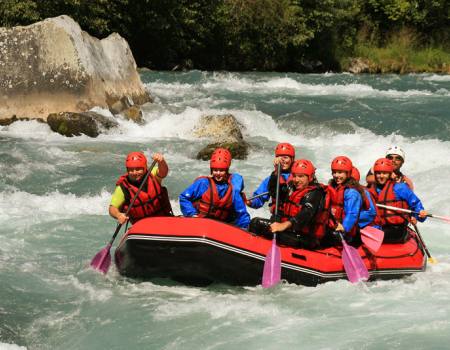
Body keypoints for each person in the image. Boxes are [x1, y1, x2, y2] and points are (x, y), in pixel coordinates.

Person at [179, 148, 250, 229]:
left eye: (222, 170)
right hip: (200, 222)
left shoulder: (232, 188)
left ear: (227, 171)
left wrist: (244, 228)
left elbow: (241, 212)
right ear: (211, 170)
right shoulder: (203, 183)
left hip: (221, 226)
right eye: (215, 170)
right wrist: (192, 214)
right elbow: (184, 198)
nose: (218, 173)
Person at [268, 159, 327, 249]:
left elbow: (306, 213)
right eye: (294, 176)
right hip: (290, 231)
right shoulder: (292, 187)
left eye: (300, 176)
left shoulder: (315, 193)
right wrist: (276, 172)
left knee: (261, 226)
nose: (296, 180)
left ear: (310, 177)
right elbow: (274, 192)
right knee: (256, 223)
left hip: (306, 238)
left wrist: (284, 225)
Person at [368, 158, 427, 243]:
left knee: (370, 234)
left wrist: (420, 213)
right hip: (379, 227)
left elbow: (416, 204)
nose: (381, 176)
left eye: (384, 173)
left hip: (397, 230)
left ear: (390, 174)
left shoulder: (400, 188)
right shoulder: (371, 190)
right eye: (378, 173)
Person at [109, 151, 172, 224]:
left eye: (138, 169)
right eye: (131, 170)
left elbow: (163, 172)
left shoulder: (152, 174)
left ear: (145, 168)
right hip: (141, 226)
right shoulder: (123, 187)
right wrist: (118, 215)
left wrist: (161, 162)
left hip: (163, 219)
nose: (134, 172)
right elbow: (112, 208)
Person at [246, 142, 295, 219]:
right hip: (278, 217)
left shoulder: (299, 177)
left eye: (285, 157)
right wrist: (249, 202)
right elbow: (259, 198)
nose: (282, 160)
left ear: (292, 159)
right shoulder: (271, 179)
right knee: (255, 223)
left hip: (295, 219)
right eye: (279, 158)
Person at [327, 156, 368, 245]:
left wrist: (344, 227)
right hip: (334, 226)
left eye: (340, 172)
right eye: (334, 172)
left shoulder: (352, 192)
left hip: (347, 232)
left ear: (348, 173)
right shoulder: (333, 187)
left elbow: (352, 213)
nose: (336, 175)